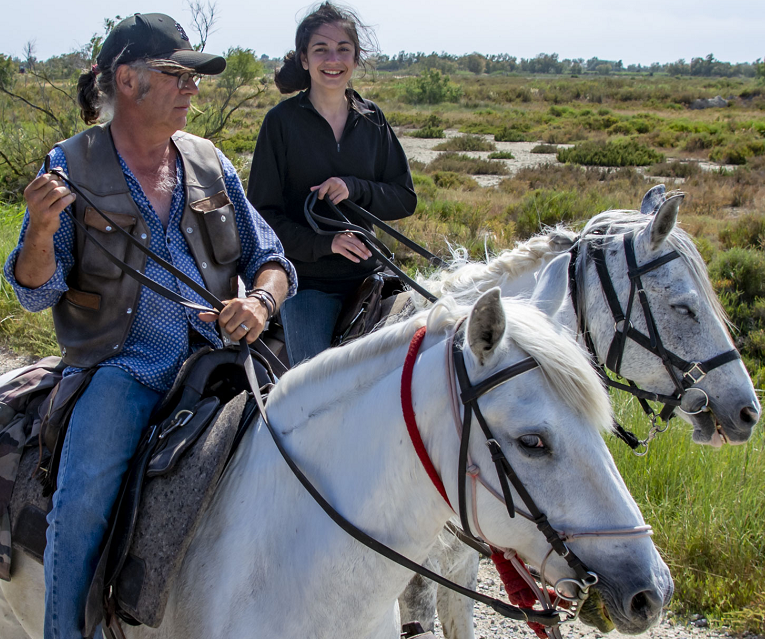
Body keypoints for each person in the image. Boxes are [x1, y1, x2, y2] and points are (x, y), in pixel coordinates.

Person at [2, 13, 296, 639]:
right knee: (79, 509)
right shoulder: (70, 165)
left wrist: (261, 305)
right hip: (123, 367)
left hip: (225, 359)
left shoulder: (210, 162)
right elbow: (35, 294)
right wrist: (43, 230)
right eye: (177, 73)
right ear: (128, 80)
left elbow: (271, 260)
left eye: (194, 75)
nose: (193, 86)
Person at [247, 2, 416, 366]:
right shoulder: (280, 124)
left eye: (343, 49)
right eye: (321, 49)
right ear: (305, 60)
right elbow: (262, 218)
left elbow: (405, 198)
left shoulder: (372, 120)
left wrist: (356, 188)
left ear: (356, 58)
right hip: (309, 282)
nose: (333, 59)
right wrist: (326, 243)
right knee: (316, 392)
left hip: (371, 273)